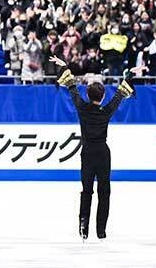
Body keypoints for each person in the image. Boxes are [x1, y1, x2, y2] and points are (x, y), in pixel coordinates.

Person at [52, 55, 134, 241]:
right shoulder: (106, 111)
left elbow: (72, 88)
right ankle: (101, 230)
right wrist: (128, 76)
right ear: (103, 96)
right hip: (103, 154)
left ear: (88, 96)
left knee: (86, 190)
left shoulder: (82, 107)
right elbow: (119, 95)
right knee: (104, 191)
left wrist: (64, 65)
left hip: (87, 153)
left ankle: (83, 226)